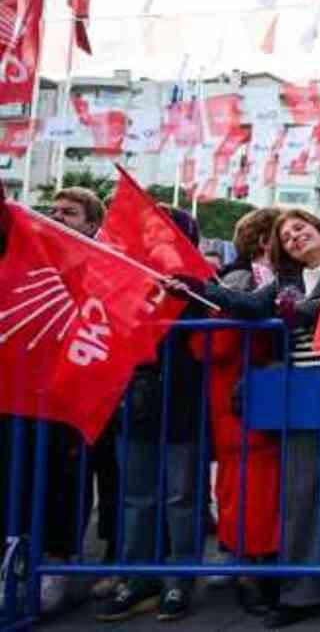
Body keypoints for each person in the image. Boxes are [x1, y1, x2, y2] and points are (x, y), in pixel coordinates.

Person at [182, 209, 320, 629]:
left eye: (299, 228)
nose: (293, 237)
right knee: (301, 494)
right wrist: (197, 288)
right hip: (301, 390)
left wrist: (298, 311)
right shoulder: (283, 283)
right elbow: (249, 305)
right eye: (286, 235)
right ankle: (299, 593)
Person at [98, 207, 205, 624]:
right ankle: (138, 578)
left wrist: (187, 292)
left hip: (184, 402)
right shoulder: (124, 280)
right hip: (135, 401)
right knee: (137, 496)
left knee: (181, 497)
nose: (156, 240)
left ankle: (180, 579)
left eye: (165, 232)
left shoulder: (199, 283)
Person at [27, 188, 117, 613]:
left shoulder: (107, 263)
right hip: (42, 392)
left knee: (93, 478)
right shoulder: (36, 259)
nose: (57, 216)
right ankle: (33, 559)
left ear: (92, 223)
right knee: (40, 475)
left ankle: (67, 563)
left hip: (97, 387)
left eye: (70, 213)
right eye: (54, 210)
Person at [203, 208, 282, 616]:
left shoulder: (283, 279)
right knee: (246, 483)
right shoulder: (237, 280)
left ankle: (262, 564)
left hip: (267, 393)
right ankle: (249, 570)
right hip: (239, 398)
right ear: (265, 239)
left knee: (268, 485)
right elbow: (214, 346)